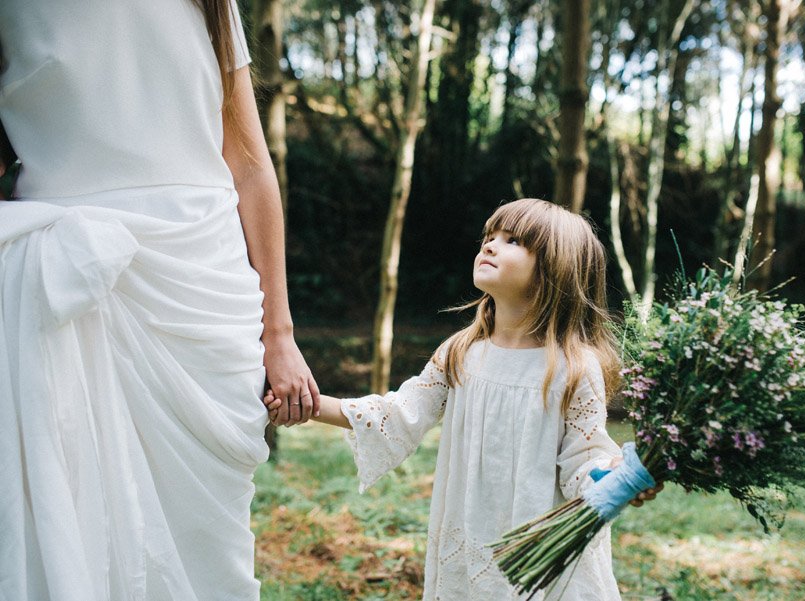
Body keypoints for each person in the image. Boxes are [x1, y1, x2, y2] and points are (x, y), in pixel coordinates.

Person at [0, 1, 318, 599]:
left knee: (211, 547)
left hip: (201, 286)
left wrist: (279, 334)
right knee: (72, 522)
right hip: (63, 287)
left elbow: (250, 169)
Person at [267, 198, 661, 600]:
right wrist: (308, 404)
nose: (489, 246)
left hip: (540, 554)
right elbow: (399, 414)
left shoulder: (573, 367)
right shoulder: (462, 351)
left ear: (554, 268)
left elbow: (583, 459)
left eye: (512, 240)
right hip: (471, 536)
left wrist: (614, 475)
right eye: (488, 237)